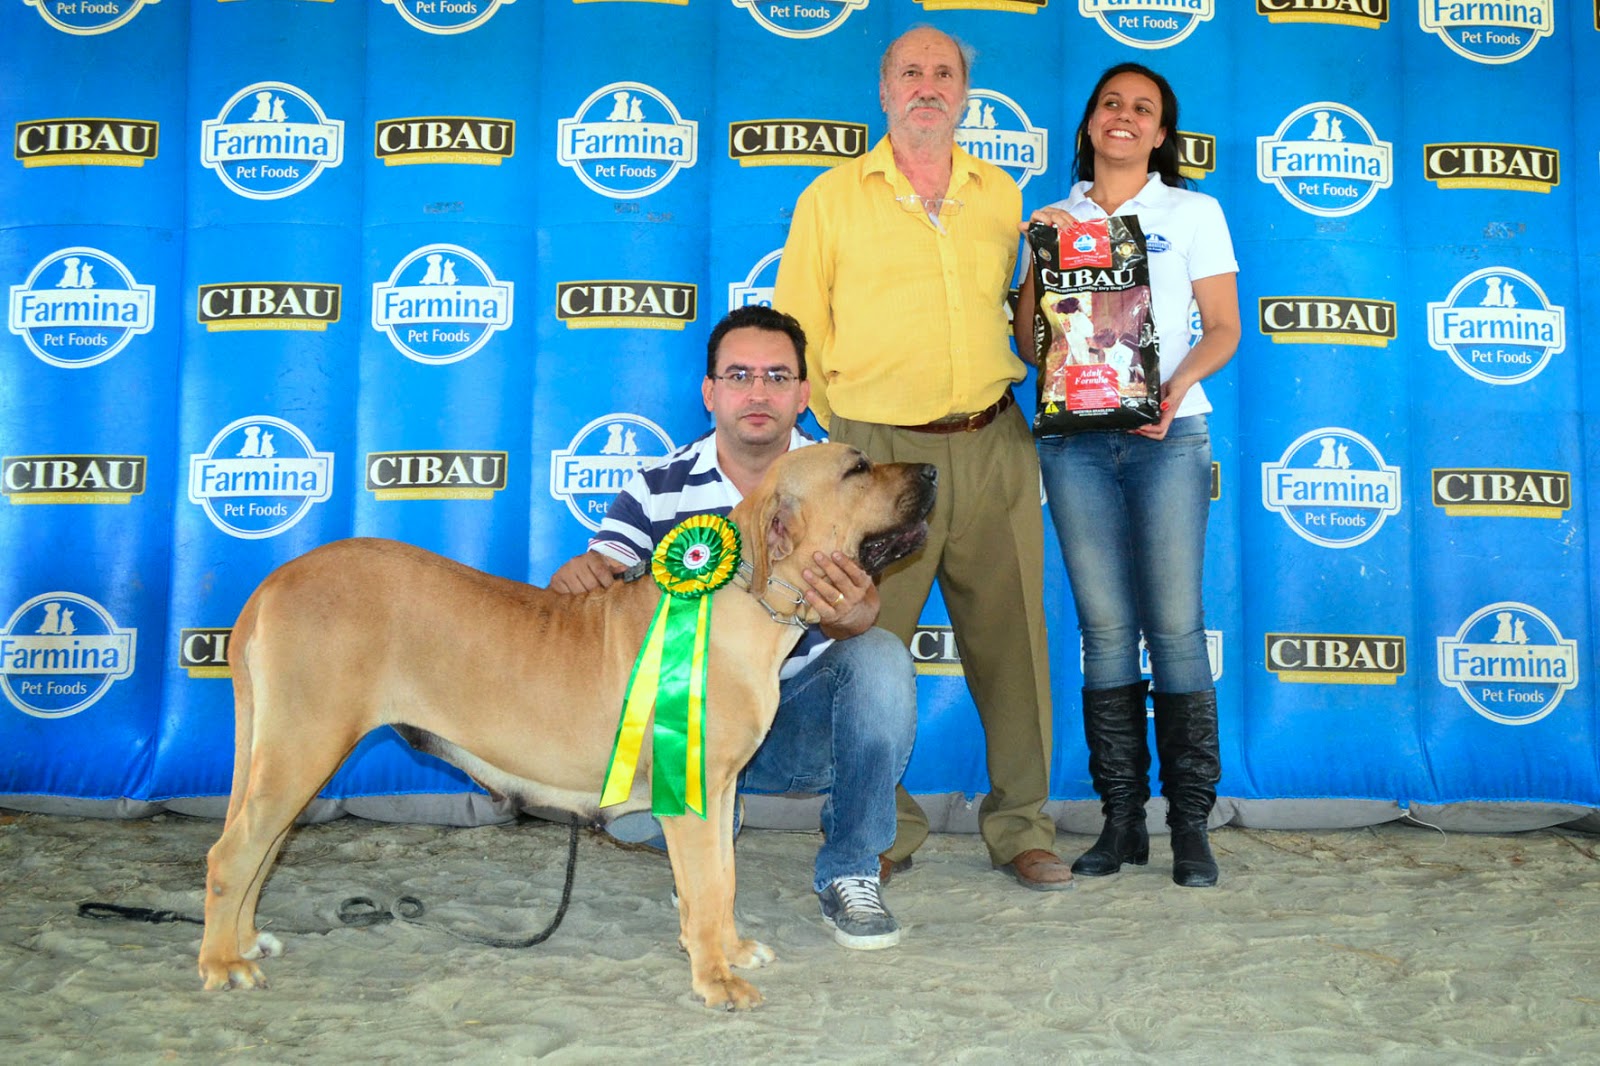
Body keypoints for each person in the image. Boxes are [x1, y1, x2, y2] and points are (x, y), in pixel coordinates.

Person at [774, 26, 1069, 891]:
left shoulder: (1001, 193)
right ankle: (881, 830)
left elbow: (1026, 321)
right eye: (912, 71)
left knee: (1014, 647)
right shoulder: (830, 197)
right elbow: (800, 333)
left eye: (945, 73)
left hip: (993, 440)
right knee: (871, 649)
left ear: (965, 92)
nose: (928, 86)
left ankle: (1022, 827)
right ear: (884, 90)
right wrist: (846, 457)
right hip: (879, 458)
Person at [549, 305, 917, 948]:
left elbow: (855, 618)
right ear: (710, 391)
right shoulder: (658, 487)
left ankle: (853, 869)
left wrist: (856, 615)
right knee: (641, 807)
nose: (757, 391)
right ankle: (706, 840)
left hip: (791, 719)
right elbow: (599, 585)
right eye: (739, 374)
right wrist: (580, 578)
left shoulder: (840, 474)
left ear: (803, 394)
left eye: (778, 377)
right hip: (682, 733)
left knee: (880, 657)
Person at [1014, 63, 1241, 888]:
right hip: (1073, 441)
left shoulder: (1193, 212)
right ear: (1088, 123)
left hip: (1169, 436)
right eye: (1111, 103)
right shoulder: (1055, 217)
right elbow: (1028, 346)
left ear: (1160, 133)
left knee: (1175, 627)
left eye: (1143, 109)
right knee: (1105, 629)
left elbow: (1222, 328)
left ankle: (1190, 828)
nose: (1124, 116)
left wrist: (1173, 392)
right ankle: (1121, 824)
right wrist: (1039, 257)